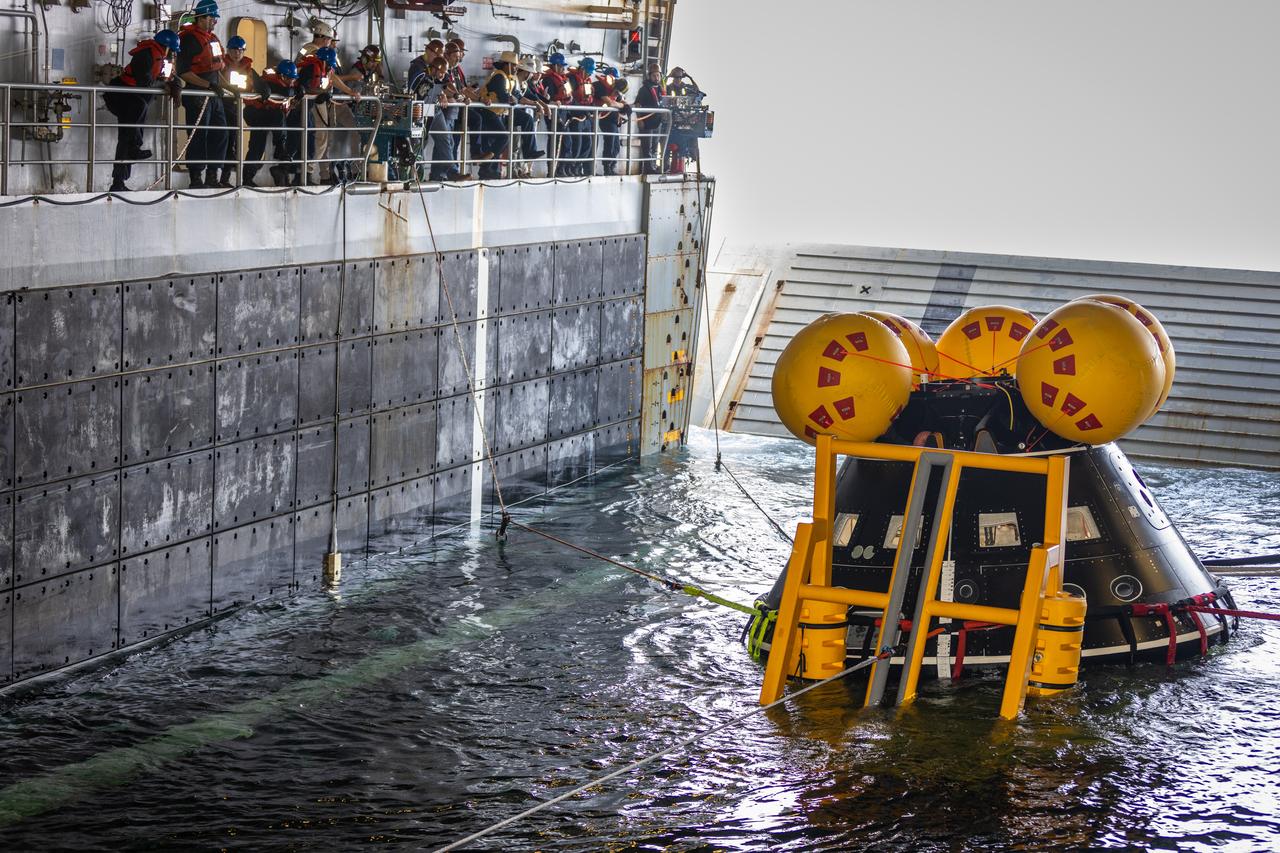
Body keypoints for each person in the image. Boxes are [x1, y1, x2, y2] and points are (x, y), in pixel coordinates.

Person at [104, 29, 180, 192]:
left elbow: (169, 78)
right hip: (121, 96)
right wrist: (163, 85)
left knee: (128, 138)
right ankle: (120, 180)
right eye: (172, 51)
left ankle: (119, 182)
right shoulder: (145, 55)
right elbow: (144, 83)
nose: (171, 55)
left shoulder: (160, 57)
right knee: (128, 137)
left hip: (134, 99)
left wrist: (175, 85)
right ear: (166, 47)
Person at [292, 45, 361, 184]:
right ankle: (305, 173)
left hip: (322, 104)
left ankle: (317, 174)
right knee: (320, 140)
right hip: (313, 106)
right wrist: (322, 94)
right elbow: (305, 88)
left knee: (324, 141)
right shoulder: (311, 69)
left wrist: (350, 92)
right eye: (330, 65)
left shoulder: (326, 69)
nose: (330, 67)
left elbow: (333, 79)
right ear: (324, 61)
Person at [241, 60, 299, 186]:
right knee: (257, 146)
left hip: (268, 116)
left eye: (294, 79)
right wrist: (297, 91)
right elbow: (286, 92)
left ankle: (248, 177)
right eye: (290, 79)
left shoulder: (285, 84)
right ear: (282, 76)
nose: (292, 82)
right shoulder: (270, 82)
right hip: (256, 113)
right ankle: (279, 148)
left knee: (257, 147)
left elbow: (290, 91)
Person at [416, 56, 461, 181]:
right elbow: (422, 95)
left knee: (446, 139)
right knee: (419, 144)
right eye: (441, 72)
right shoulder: (424, 78)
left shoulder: (438, 78)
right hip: (421, 110)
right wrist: (440, 94)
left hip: (434, 110)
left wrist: (447, 95)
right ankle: (416, 174)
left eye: (444, 73)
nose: (442, 75)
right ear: (434, 69)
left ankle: (452, 171)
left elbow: (445, 87)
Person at [217, 35, 254, 186]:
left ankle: (225, 179)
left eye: (240, 50)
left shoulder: (248, 68)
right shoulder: (221, 65)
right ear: (228, 51)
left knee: (234, 141)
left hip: (237, 107)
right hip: (222, 106)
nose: (237, 53)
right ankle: (213, 177)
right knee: (224, 139)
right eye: (234, 50)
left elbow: (251, 86)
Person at [541, 53, 573, 176]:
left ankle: (562, 168)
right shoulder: (548, 79)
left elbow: (568, 96)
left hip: (563, 113)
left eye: (563, 66)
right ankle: (553, 169)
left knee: (567, 142)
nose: (562, 69)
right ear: (554, 65)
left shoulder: (564, 79)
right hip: (554, 113)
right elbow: (549, 98)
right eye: (560, 66)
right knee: (556, 140)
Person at [593, 66, 628, 176]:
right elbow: (610, 103)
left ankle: (611, 166)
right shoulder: (600, 86)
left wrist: (625, 106)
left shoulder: (614, 90)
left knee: (616, 145)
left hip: (611, 119)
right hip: (601, 118)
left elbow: (620, 101)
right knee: (609, 142)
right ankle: (606, 167)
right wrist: (623, 106)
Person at [633, 62, 666, 174]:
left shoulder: (660, 89)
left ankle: (653, 165)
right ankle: (648, 168)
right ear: (649, 76)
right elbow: (637, 104)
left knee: (655, 146)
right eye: (654, 75)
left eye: (658, 75)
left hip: (657, 122)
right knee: (647, 146)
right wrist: (640, 120)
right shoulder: (644, 89)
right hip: (647, 122)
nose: (656, 78)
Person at [565, 57, 597, 176]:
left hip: (586, 117)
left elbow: (589, 99)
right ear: (582, 69)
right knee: (576, 145)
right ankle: (569, 167)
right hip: (575, 117)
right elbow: (569, 98)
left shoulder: (587, 81)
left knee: (588, 144)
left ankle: (577, 167)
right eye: (588, 71)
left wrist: (592, 109)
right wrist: (582, 111)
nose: (589, 74)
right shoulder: (572, 79)